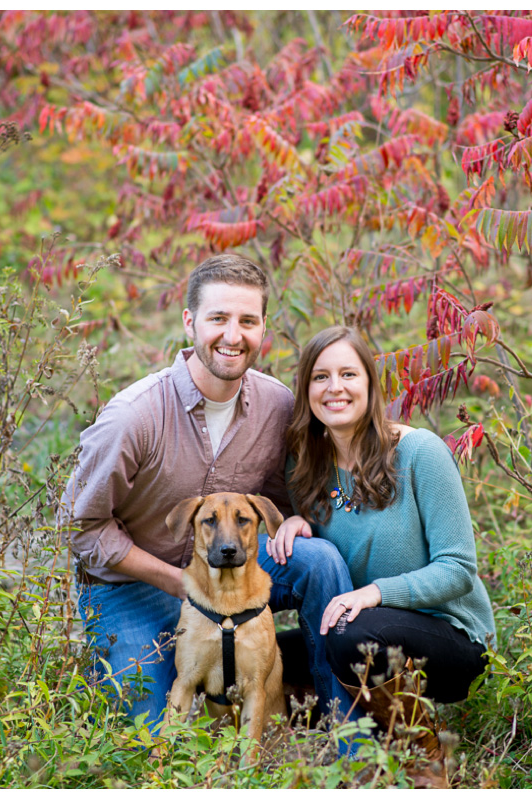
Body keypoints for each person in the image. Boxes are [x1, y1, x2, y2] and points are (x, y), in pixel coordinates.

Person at [58, 254, 354, 726]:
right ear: (189, 322)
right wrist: (179, 583)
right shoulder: (134, 417)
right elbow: (79, 525)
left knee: (319, 561)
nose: (233, 336)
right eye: (218, 318)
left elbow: (286, 496)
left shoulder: (276, 406)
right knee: (150, 737)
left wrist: (295, 516)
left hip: (236, 572)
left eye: (247, 321)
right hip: (133, 589)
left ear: (263, 328)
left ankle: (348, 736)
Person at [268, 325, 495, 784]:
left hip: (452, 638)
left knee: (350, 638)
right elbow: (332, 538)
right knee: (265, 655)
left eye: (348, 374)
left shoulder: (418, 453)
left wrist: (374, 592)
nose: (335, 388)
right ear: (305, 391)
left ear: (371, 385)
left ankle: (421, 753)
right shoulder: (305, 464)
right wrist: (297, 521)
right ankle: (348, 724)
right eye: (320, 377)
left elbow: (459, 570)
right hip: (361, 626)